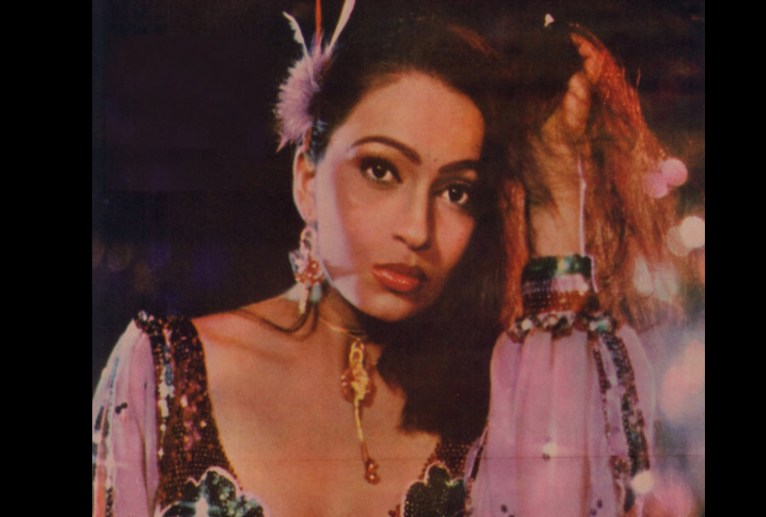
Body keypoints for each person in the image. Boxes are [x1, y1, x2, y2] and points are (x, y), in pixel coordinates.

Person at [92, 1, 680, 516]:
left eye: (457, 192)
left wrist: (557, 197)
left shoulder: (492, 405)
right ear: (307, 178)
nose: (417, 230)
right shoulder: (163, 373)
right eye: (380, 169)